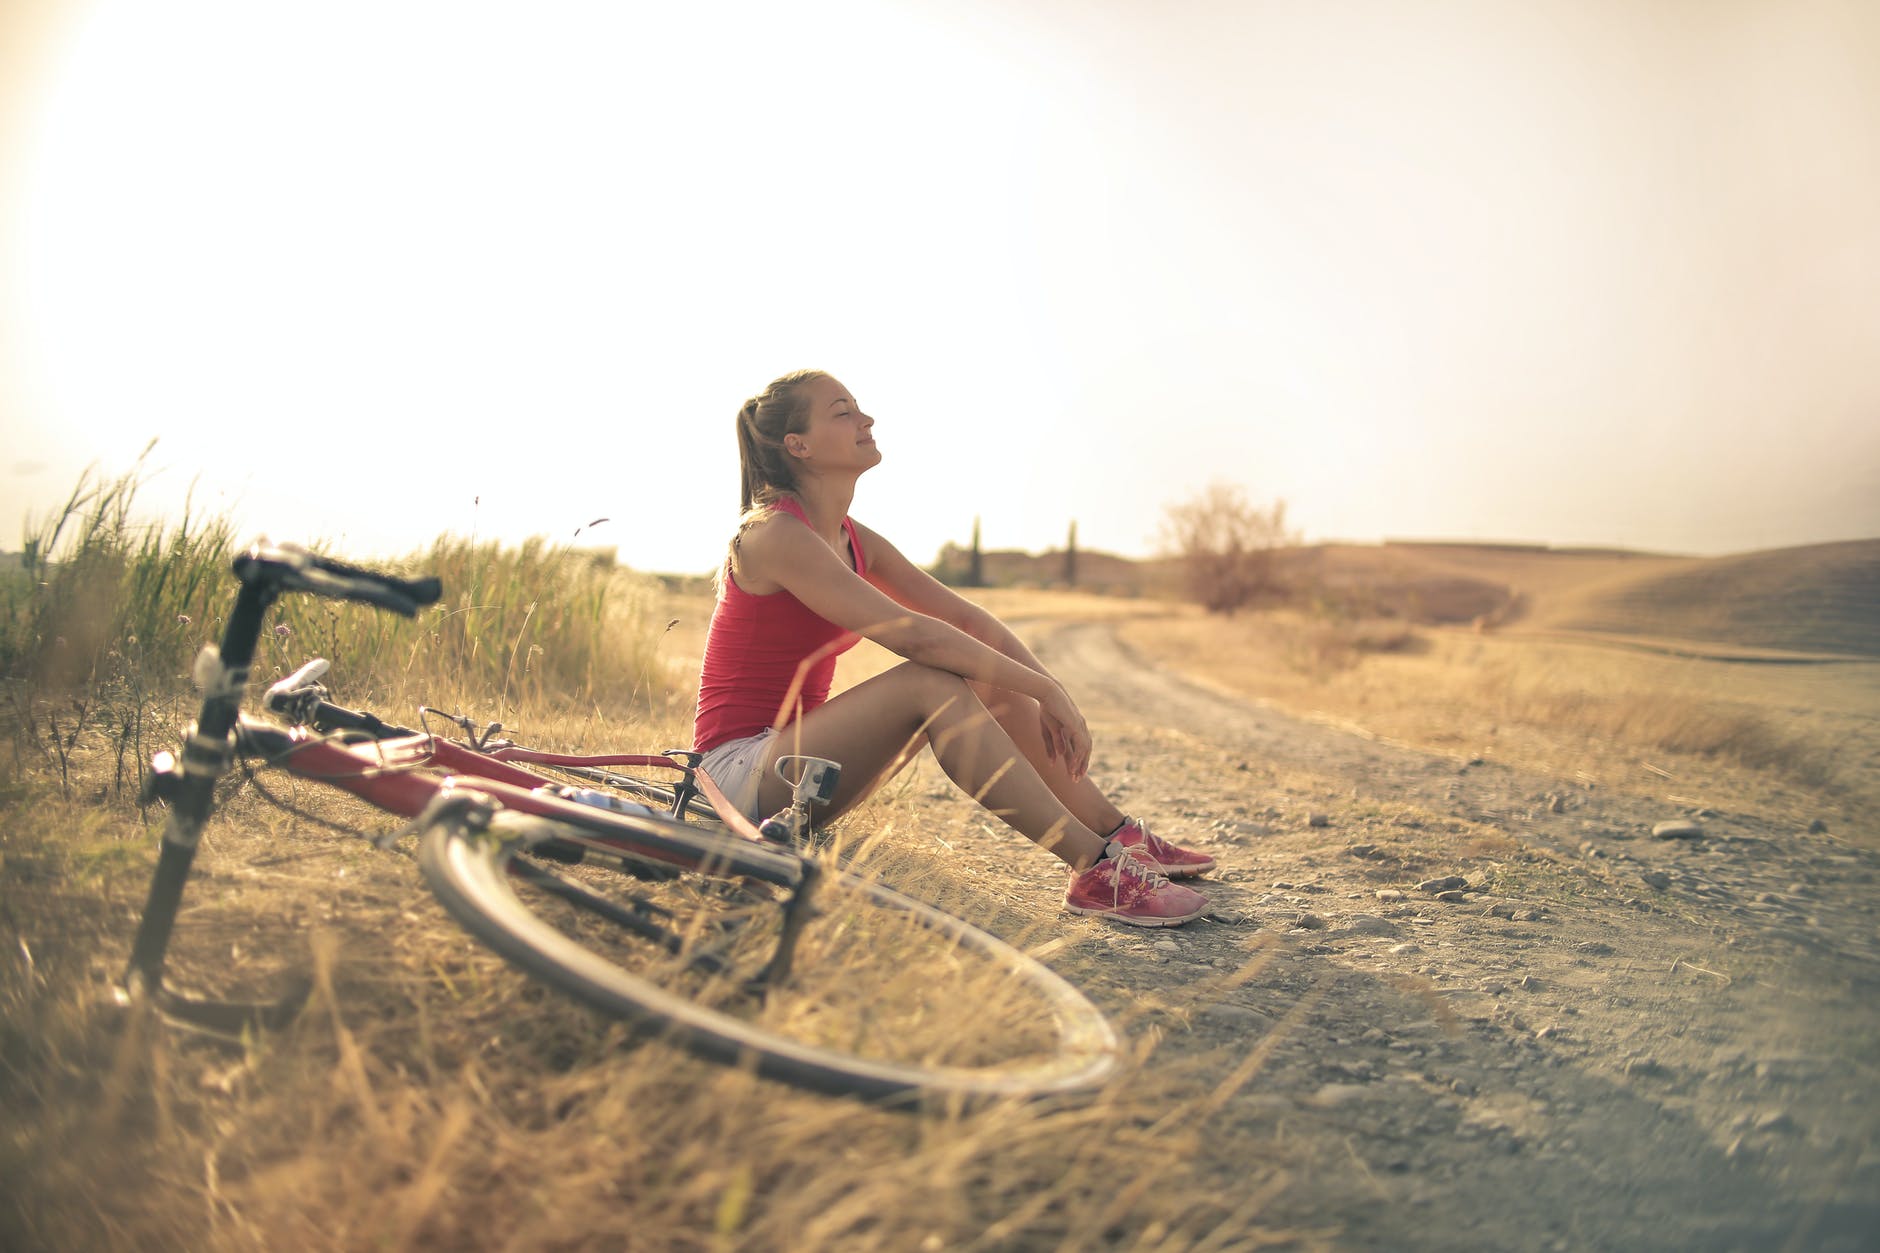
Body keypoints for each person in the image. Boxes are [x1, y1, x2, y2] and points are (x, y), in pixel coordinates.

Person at [692, 369, 1216, 926]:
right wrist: (1042, 688)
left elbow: (964, 617)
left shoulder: (851, 537)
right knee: (931, 680)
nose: (865, 419)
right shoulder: (773, 534)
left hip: (802, 771)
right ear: (798, 445)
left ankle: (1117, 836)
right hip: (735, 776)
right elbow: (912, 633)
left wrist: (1047, 691)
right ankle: (1093, 868)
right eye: (842, 412)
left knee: (988, 673)